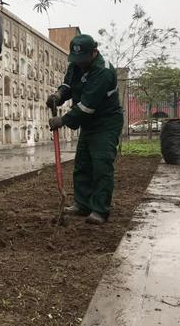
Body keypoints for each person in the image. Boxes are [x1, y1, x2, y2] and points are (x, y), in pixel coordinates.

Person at [46, 34, 123, 225]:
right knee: (82, 164)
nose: (79, 64)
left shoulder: (104, 72)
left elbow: (86, 107)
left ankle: (99, 209)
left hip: (105, 123)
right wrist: (58, 95)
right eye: (76, 60)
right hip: (89, 123)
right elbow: (68, 84)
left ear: (94, 53)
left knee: (101, 166)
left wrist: (62, 120)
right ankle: (82, 204)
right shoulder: (76, 63)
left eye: (83, 59)